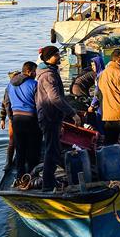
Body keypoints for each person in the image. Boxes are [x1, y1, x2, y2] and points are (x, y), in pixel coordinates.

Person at [35, 45, 81, 190]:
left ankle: (50, 180)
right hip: (49, 117)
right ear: (49, 58)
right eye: (56, 55)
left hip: (51, 116)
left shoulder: (49, 72)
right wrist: (72, 113)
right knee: (51, 150)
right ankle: (48, 184)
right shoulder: (48, 75)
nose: (59, 57)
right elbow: (55, 98)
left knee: (54, 148)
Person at [0, 61, 41, 176]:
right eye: (35, 71)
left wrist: (11, 118)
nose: (35, 74)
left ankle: (19, 176)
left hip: (16, 120)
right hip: (31, 119)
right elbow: (40, 104)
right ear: (29, 72)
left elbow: (7, 103)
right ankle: (32, 175)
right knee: (33, 148)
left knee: (20, 148)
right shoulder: (35, 84)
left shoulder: (10, 85)